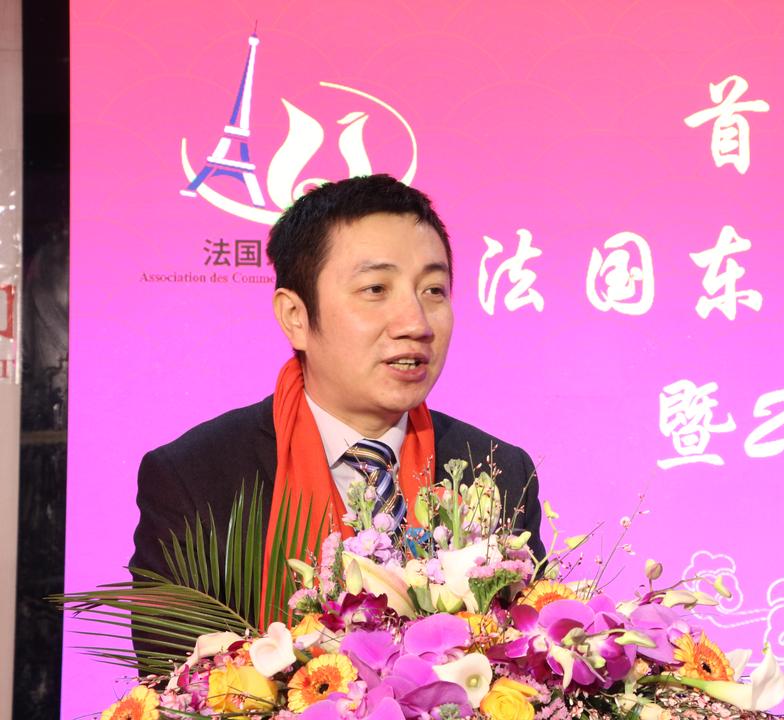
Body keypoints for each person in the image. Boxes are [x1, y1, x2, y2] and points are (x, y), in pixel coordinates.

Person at [130, 175, 544, 600]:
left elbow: (533, 631)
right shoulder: (197, 478)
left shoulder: (499, 472)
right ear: (295, 316)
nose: (416, 323)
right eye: (376, 289)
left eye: (433, 290)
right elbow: (176, 645)